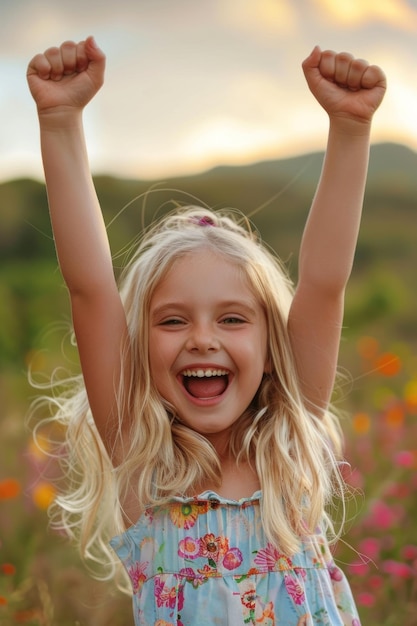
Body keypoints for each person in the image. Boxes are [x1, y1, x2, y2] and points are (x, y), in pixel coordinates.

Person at [27, 36, 386, 626]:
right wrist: (60, 120)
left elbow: (323, 284)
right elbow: (90, 288)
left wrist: (350, 129)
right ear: (138, 352)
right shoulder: (144, 465)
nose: (202, 339)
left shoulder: (288, 450)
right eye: (172, 320)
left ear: (273, 351)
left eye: (233, 318)